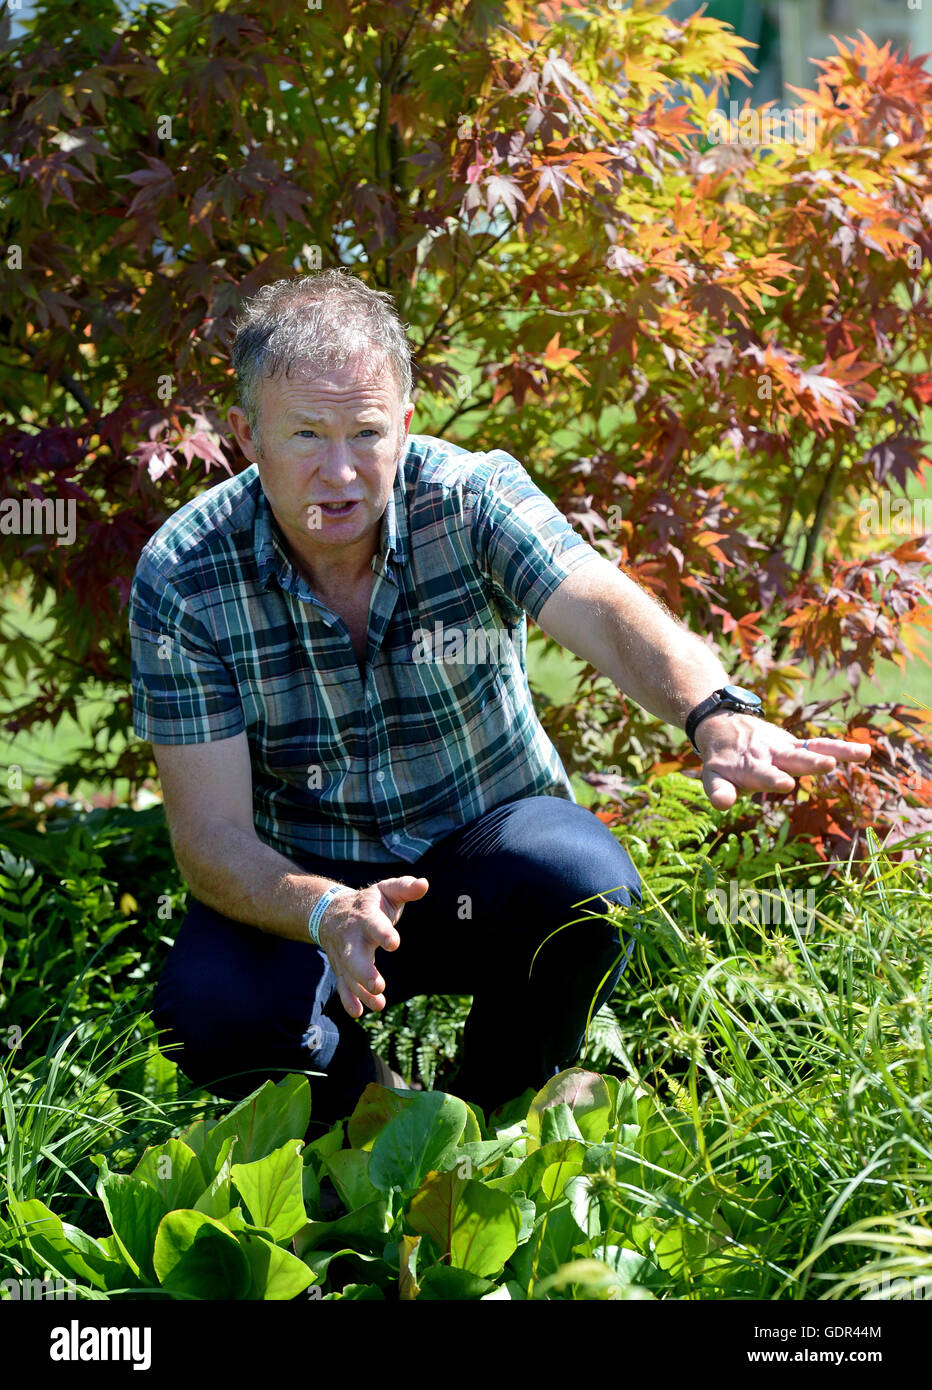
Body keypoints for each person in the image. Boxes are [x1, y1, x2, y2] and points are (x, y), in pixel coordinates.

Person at [129, 269, 871, 1128]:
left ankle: (489, 1124)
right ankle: (370, 1134)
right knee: (209, 1009)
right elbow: (210, 838)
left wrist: (712, 710)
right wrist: (326, 909)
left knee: (583, 883)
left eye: (366, 432)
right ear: (248, 434)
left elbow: (601, 602)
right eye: (305, 435)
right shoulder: (185, 574)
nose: (340, 472)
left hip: (479, 858)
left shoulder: (469, 497)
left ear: (405, 426)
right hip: (308, 888)